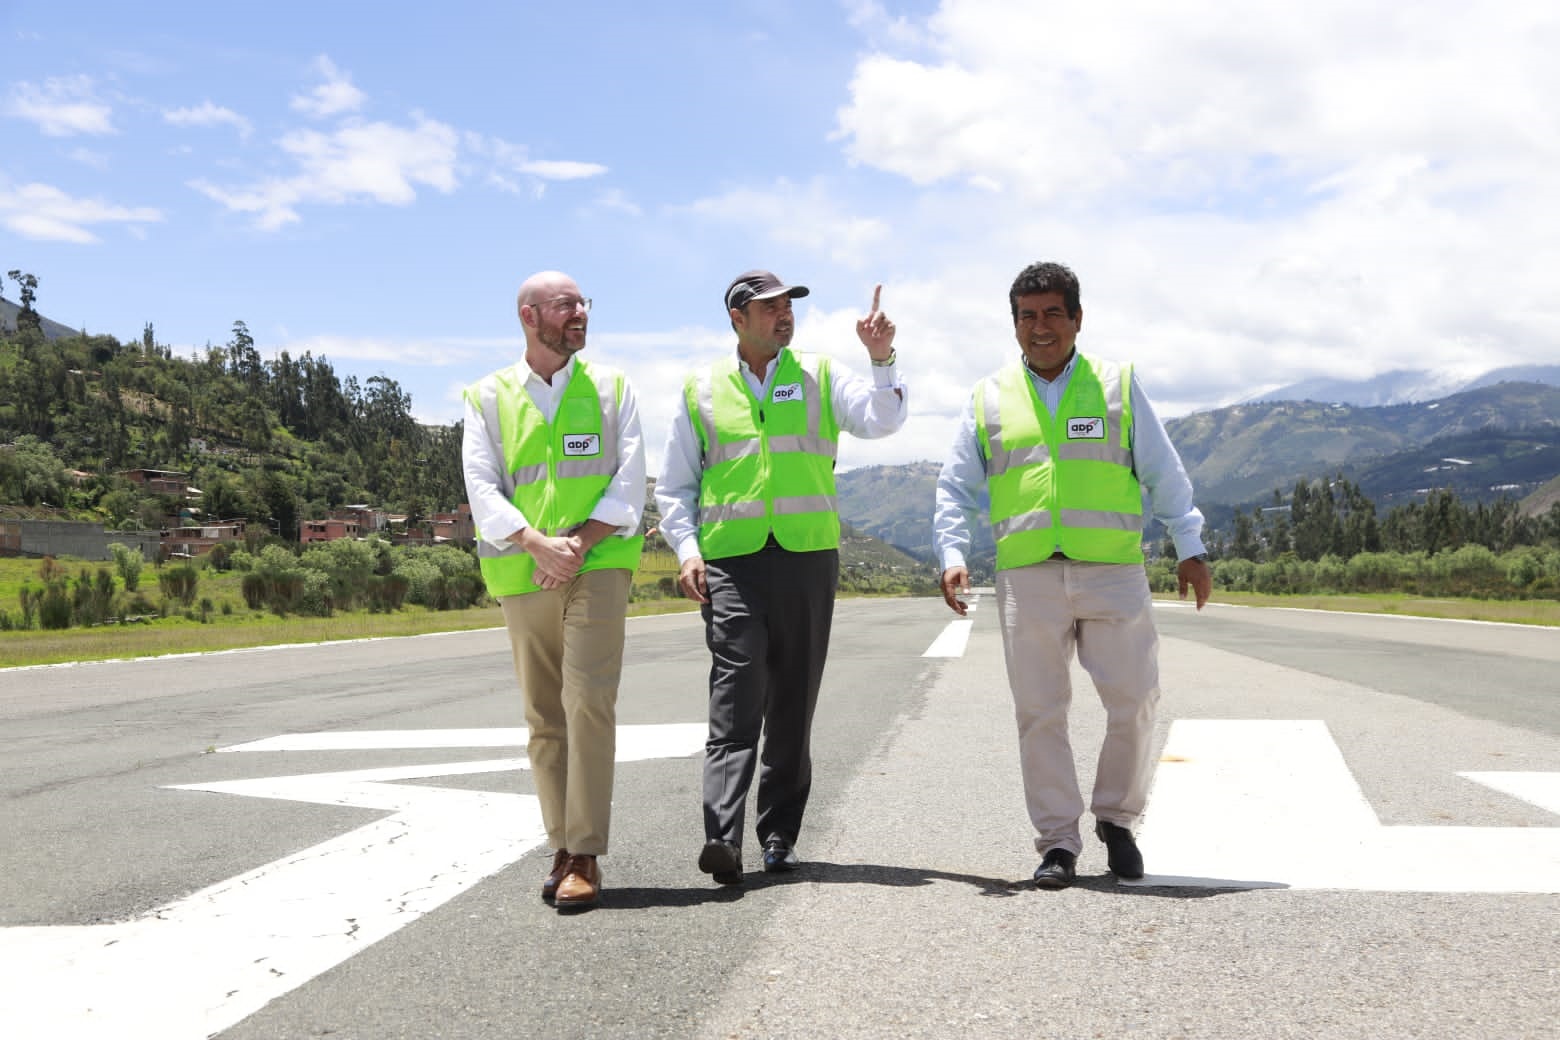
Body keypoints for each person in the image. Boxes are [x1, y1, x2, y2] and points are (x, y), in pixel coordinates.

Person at [934, 260, 1212, 890]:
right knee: (1040, 711)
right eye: (1028, 317)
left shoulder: (1117, 385)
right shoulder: (987, 397)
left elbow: (1163, 473)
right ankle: (1058, 843)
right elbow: (954, 489)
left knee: (1136, 698)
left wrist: (1188, 544)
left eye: (1053, 313)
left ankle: (1117, 818)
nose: (1041, 328)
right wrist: (952, 554)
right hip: (1027, 577)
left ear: (1077, 319)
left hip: (1113, 570)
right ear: (1014, 326)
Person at [655, 269, 907, 885]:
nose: (784, 315)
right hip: (732, 564)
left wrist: (881, 360)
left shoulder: (819, 375)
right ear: (738, 319)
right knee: (735, 699)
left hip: (807, 560)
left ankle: (777, 836)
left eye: (788, 305)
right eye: (769, 308)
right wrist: (687, 550)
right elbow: (675, 486)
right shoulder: (702, 390)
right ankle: (722, 837)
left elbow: (881, 420)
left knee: (792, 707)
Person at [462, 270, 646, 910]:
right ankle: (561, 846)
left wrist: (577, 544)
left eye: (583, 304)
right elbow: (481, 487)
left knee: (588, 699)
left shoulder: (613, 387)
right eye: (567, 305)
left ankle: (586, 853)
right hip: (523, 569)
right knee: (545, 719)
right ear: (529, 315)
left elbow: (630, 482)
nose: (581, 314)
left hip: (597, 563)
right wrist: (537, 544)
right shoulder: (486, 397)